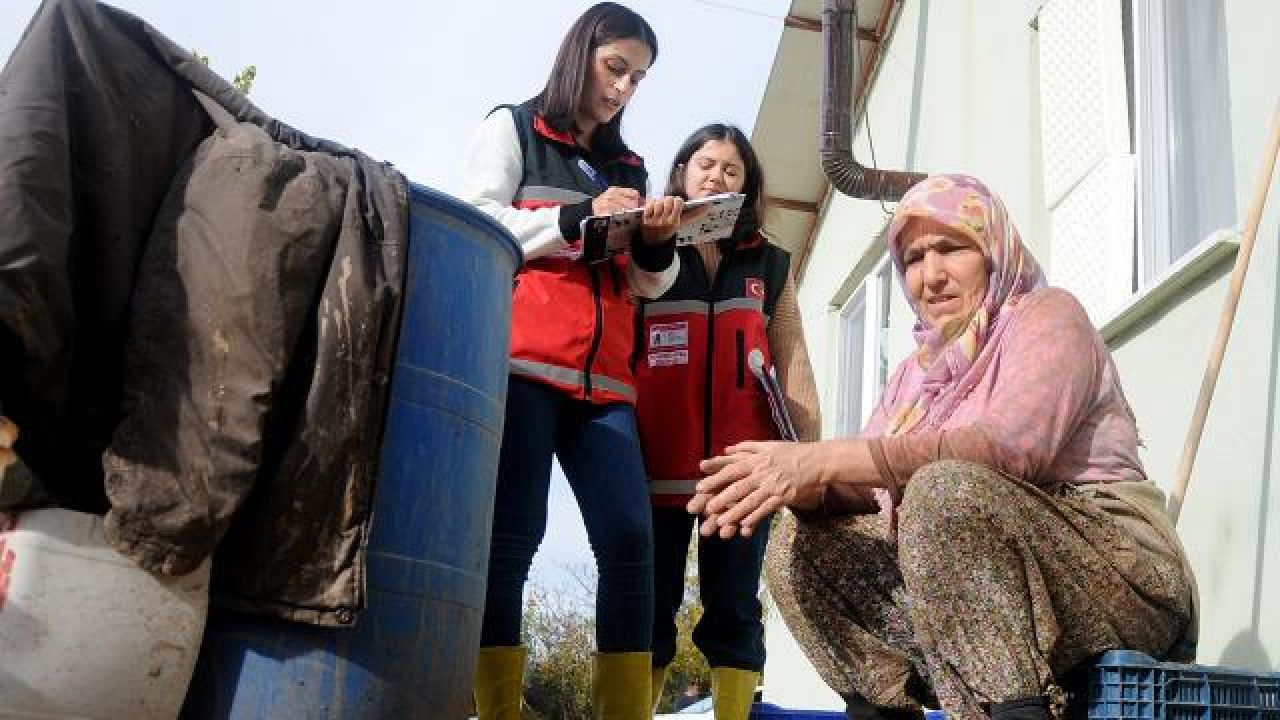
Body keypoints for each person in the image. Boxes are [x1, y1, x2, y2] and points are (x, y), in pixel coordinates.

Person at [687, 174, 1198, 720]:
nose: (930, 277)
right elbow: (864, 487)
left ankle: (1014, 713)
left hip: (1120, 577)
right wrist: (790, 484)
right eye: (911, 259)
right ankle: (883, 711)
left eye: (950, 249)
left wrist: (819, 458)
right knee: (796, 544)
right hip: (989, 597)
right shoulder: (915, 375)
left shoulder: (1047, 316)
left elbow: (1006, 449)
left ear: (993, 249)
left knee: (942, 488)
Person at [458, 4, 685, 719]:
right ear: (580, 51)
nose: (622, 89)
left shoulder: (631, 165)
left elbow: (648, 285)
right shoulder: (513, 127)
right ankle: (496, 710)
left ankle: (622, 712)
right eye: (615, 67)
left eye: (638, 79)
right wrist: (571, 218)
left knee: (628, 540)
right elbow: (477, 223)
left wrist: (653, 243)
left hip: (607, 384)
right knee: (511, 540)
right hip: (523, 367)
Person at [633, 124, 819, 719]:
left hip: (741, 473)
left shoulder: (770, 261)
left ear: (747, 185)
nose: (717, 176)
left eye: (731, 169)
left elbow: (791, 356)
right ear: (682, 173)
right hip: (654, 461)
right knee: (646, 605)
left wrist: (808, 458)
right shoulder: (647, 249)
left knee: (735, 606)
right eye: (705, 164)